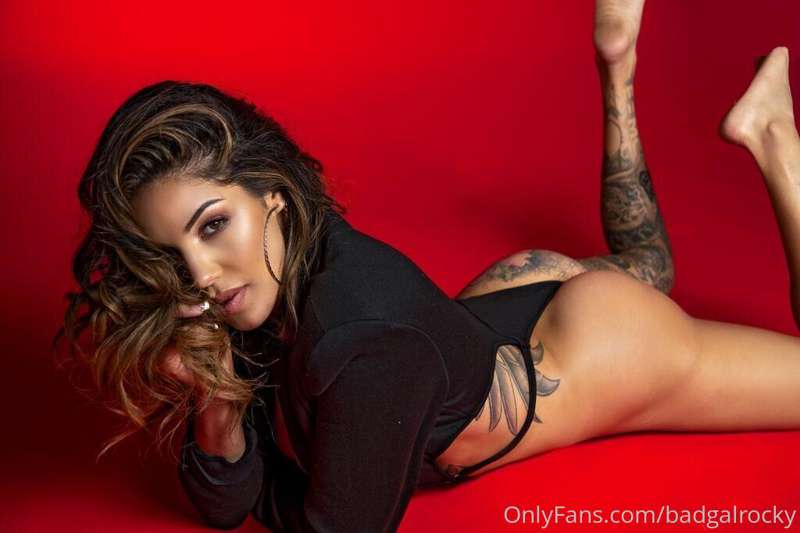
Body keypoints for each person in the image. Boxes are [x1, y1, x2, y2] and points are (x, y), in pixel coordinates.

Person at [53, 0, 800, 531]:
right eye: (170, 254)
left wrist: (254, 464)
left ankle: (773, 137)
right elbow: (223, 506)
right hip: (509, 306)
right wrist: (217, 403)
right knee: (648, 263)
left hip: (607, 354)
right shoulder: (262, 281)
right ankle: (618, 66)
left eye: (214, 226)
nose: (199, 274)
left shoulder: (362, 343)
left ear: (272, 195)